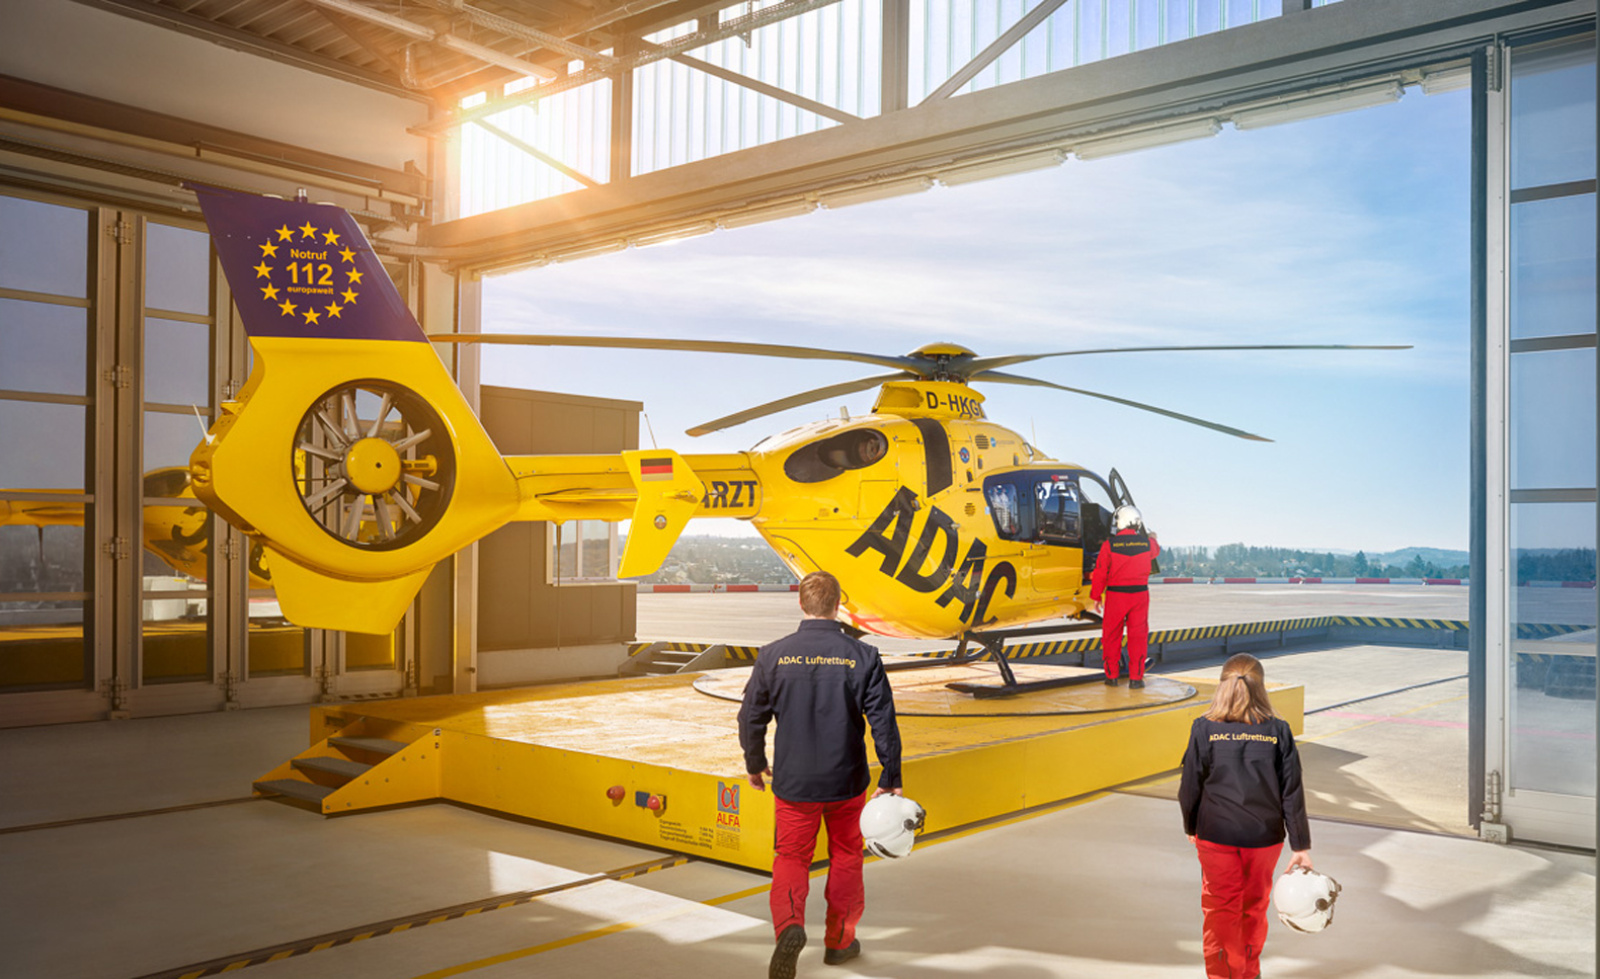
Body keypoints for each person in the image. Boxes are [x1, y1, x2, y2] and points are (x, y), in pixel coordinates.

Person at [738, 570, 903, 979]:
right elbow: (883, 720)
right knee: (847, 857)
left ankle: (790, 927)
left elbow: (750, 717)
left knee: (791, 858)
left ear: (801, 603)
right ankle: (840, 942)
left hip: (794, 784)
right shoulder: (863, 657)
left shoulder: (773, 655)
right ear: (838, 605)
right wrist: (891, 775)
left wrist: (755, 762)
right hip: (846, 782)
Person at [1178, 653, 1313, 979]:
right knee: (1253, 908)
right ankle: (1249, 973)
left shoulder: (1204, 728)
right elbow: (1291, 791)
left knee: (1220, 910)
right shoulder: (1279, 731)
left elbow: (1190, 785)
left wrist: (1191, 825)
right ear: (1261, 687)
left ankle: (1224, 975)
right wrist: (1300, 846)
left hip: (1216, 834)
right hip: (1264, 838)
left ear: (1223, 686)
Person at [1089, 504, 1160, 687]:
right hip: (1139, 596)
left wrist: (1096, 596)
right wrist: (1153, 537)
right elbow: (1155, 550)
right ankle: (1136, 679)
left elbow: (1100, 573)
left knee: (1111, 636)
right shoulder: (1147, 544)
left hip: (1116, 596)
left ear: (1119, 522)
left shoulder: (1109, 545)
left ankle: (1111, 676)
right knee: (1138, 636)